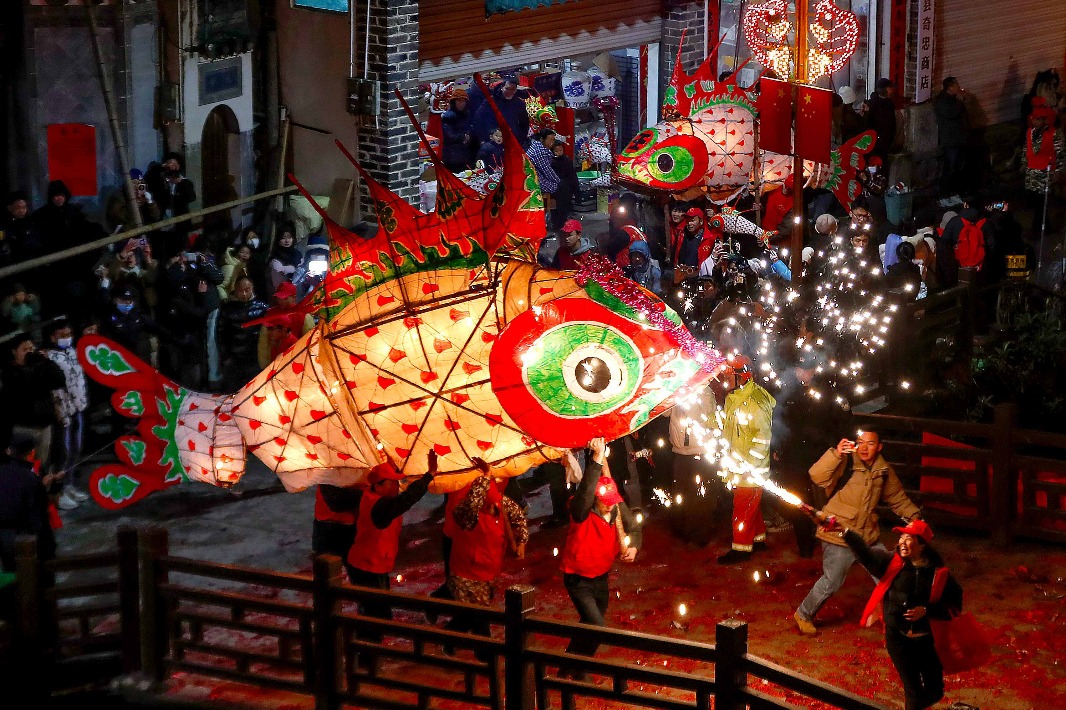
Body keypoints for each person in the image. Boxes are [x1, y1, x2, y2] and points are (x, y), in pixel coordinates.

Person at [793, 430, 921, 635]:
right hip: (838, 532)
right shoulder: (847, 460)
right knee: (832, 581)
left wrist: (916, 518)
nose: (863, 447)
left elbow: (897, 498)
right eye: (860, 442)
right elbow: (816, 476)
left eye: (870, 443)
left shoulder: (883, 470)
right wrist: (836, 454)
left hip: (867, 535)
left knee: (888, 576)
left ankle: (894, 619)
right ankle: (804, 614)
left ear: (879, 447)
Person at [828, 518, 962, 710]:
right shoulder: (892, 562)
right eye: (902, 537)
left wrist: (927, 611)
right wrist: (846, 532)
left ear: (922, 545)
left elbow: (955, 607)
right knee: (913, 690)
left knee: (935, 690)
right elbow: (867, 555)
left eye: (909, 538)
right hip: (897, 639)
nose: (902, 542)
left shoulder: (939, 574)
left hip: (926, 643)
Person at [558, 437, 641, 669]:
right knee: (597, 625)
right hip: (579, 579)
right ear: (595, 500)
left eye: (612, 502)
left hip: (601, 578)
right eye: (605, 503)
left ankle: (573, 666)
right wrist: (596, 459)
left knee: (590, 624)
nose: (610, 506)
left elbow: (634, 528)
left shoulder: (615, 507)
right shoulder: (581, 511)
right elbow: (584, 492)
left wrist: (633, 546)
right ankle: (574, 666)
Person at [344, 454, 437, 636]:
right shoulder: (380, 506)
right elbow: (406, 500)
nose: (397, 487)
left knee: (376, 613)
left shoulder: (373, 498)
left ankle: (369, 651)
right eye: (392, 482)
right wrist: (429, 475)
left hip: (371, 564)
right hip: (368, 567)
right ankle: (368, 654)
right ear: (378, 485)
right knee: (376, 616)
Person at [445, 459, 528, 641]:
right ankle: (485, 654)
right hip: (467, 574)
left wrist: (522, 540)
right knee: (479, 617)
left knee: (471, 616)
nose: (493, 508)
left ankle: (448, 639)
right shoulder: (466, 512)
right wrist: (486, 476)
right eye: (488, 506)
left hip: (488, 573)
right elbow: (470, 504)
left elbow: (518, 516)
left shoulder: (499, 502)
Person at [717, 356, 777, 564]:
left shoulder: (756, 402)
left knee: (741, 506)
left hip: (750, 471)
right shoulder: (735, 397)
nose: (725, 379)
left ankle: (741, 548)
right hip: (738, 466)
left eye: (729, 376)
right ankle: (758, 538)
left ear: (743, 376)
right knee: (750, 504)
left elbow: (762, 440)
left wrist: (748, 467)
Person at [42, 320, 90, 511]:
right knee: (63, 452)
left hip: (78, 407)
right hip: (62, 411)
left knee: (76, 450)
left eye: (68, 334)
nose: (66, 338)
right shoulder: (48, 357)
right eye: (61, 336)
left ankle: (69, 485)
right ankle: (58, 491)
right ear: (52, 337)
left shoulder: (74, 352)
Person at [0, 432, 56, 573]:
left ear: (8, 450)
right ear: (32, 452)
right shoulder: (31, 479)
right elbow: (38, 519)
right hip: (25, 543)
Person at [217, 276, 268, 392]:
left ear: (252, 289)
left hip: (255, 358)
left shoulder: (262, 308)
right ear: (235, 289)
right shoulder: (227, 309)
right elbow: (221, 335)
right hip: (234, 359)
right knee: (232, 392)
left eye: (247, 290)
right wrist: (226, 356)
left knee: (255, 391)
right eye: (240, 290)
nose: (244, 294)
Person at [1022, 97, 1064, 223]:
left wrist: (1059, 171)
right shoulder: (1030, 132)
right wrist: (1024, 163)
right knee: (1034, 201)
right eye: (1033, 119)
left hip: (1044, 172)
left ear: (1045, 120)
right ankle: (1038, 223)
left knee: (1042, 202)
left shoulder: (1054, 134)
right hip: (1031, 172)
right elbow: (1026, 148)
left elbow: (1060, 153)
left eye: (1038, 119)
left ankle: (1042, 225)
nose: (1035, 122)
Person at [933, 78, 969, 201]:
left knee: (959, 167)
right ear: (950, 87)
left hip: (959, 139)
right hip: (950, 140)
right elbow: (950, 114)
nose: (959, 87)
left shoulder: (953, 100)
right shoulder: (942, 101)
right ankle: (944, 196)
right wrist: (961, 101)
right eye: (956, 85)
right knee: (949, 168)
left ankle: (954, 193)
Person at [472, 76, 530, 147]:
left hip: (513, 143)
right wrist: (484, 139)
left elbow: (525, 123)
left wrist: (520, 140)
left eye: (513, 89)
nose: (510, 92)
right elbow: (478, 119)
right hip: (494, 143)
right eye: (507, 89)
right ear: (502, 87)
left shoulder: (519, 103)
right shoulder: (491, 102)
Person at [441, 88, 473, 173]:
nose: (461, 104)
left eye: (463, 101)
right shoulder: (448, 116)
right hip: (452, 156)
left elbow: (469, 128)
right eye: (459, 101)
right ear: (454, 102)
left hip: (464, 154)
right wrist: (464, 136)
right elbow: (449, 136)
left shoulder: (466, 113)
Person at [865, 78, 897, 163]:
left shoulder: (890, 103)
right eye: (890, 88)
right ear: (886, 89)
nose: (892, 90)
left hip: (886, 142)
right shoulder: (872, 104)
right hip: (875, 142)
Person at [550, 141, 579, 231]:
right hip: (555, 190)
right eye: (557, 151)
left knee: (564, 211)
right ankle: (557, 226)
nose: (559, 152)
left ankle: (564, 227)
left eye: (560, 150)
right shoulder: (550, 162)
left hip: (566, 190)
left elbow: (573, 176)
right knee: (555, 210)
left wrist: (576, 191)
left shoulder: (567, 160)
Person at [525, 128, 560, 197]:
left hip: (538, 175)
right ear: (542, 139)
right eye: (550, 140)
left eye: (553, 140)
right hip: (532, 179)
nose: (552, 142)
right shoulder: (539, 151)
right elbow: (547, 171)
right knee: (560, 187)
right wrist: (559, 181)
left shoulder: (538, 145)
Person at [269, 223, 303, 291]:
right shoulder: (276, 257)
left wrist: (286, 269)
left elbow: (303, 270)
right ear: (278, 240)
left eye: (289, 237)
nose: (287, 241)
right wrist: (294, 269)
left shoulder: (298, 254)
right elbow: (279, 272)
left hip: (298, 290)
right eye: (283, 238)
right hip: (281, 290)